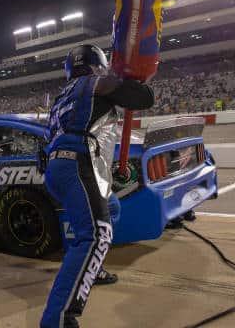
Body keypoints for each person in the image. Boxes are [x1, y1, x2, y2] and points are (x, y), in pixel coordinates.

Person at [40, 44, 154, 328]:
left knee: (111, 206)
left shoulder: (60, 97)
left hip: (57, 168)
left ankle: (93, 268)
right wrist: (134, 76)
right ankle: (59, 320)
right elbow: (143, 98)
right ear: (97, 63)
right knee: (95, 235)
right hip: (75, 164)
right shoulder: (97, 83)